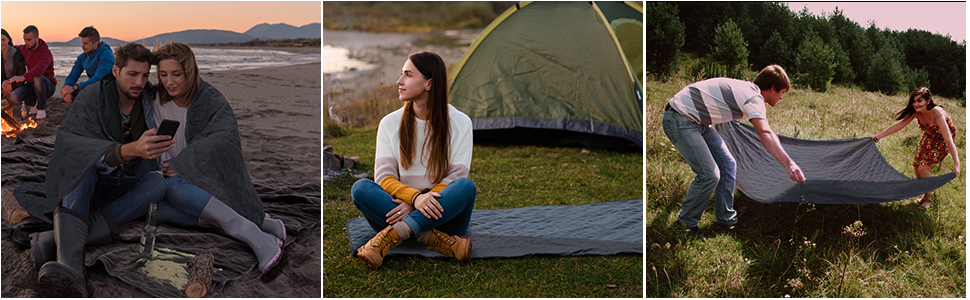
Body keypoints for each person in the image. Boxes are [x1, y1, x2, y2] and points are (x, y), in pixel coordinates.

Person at [38, 43, 172, 297]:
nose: (139, 82)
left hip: (121, 183)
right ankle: (72, 269)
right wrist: (130, 149)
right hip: (84, 183)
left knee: (158, 184)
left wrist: (202, 90)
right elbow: (71, 146)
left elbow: (183, 90)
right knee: (83, 164)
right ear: (115, 70)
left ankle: (53, 241)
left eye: (145, 75)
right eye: (132, 74)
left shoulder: (147, 98)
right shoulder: (92, 96)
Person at [148, 42, 284, 275]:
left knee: (171, 189)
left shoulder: (209, 99)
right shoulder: (152, 98)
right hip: (164, 173)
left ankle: (255, 237)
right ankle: (258, 221)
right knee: (154, 210)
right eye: (163, 74)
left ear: (189, 72)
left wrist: (184, 165)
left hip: (200, 176)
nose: (169, 81)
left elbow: (223, 136)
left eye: (176, 74)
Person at [351, 51, 476, 270]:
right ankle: (434, 239)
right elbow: (384, 178)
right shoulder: (389, 123)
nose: (399, 81)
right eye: (401, 74)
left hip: (443, 213)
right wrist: (414, 199)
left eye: (408, 74)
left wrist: (420, 201)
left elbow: (456, 177)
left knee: (465, 186)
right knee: (361, 188)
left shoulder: (460, 122)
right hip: (400, 208)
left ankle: (392, 236)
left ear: (429, 83)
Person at [662, 65, 806, 239]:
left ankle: (725, 220)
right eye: (782, 92)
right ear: (772, 88)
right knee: (709, 174)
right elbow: (765, 133)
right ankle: (686, 224)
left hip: (698, 121)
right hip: (680, 118)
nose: (782, 97)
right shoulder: (753, 97)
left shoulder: (747, 90)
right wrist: (789, 164)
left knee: (728, 165)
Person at [873, 87, 960, 209]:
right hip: (929, 136)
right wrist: (879, 136)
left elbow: (948, 139)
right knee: (916, 166)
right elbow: (899, 125)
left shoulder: (937, 114)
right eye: (914, 101)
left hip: (942, 140)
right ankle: (925, 194)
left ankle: (928, 200)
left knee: (923, 168)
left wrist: (957, 164)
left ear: (928, 101)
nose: (915, 104)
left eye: (919, 101)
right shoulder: (916, 112)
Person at [9, 25, 55, 119]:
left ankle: (41, 108)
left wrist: (23, 77)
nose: (26, 42)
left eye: (29, 40)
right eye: (25, 39)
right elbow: (10, 48)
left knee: (38, 77)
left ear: (37, 38)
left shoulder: (45, 53)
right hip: (32, 85)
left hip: (47, 86)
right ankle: (34, 103)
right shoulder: (24, 49)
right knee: (14, 97)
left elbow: (40, 69)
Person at [61, 26, 114, 104]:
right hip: (93, 88)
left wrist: (76, 87)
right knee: (69, 94)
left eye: (85, 43)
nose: (82, 46)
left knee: (79, 93)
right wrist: (66, 88)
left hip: (108, 88)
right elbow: (72, 76)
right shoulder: (83, 57)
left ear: (95, 44)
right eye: (82, 43)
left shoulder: (106, 54)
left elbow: (99, 78)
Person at [1, 28, 26, 101]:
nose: (1, 43)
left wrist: (12, 86)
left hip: (15, 84)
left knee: (15, 97)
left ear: (8, 39)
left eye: (3, 40)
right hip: (2, 85)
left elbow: (22, 74)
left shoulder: (17, 53)